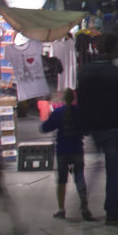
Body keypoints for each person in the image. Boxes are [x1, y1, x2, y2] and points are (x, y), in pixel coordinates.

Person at [76, 33, 118, 224]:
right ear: (114, 49)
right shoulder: (117, 74)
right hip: (113, 127)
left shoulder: (85, 71)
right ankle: (113, 211)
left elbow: (81, 100)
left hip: (94, 127)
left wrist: (84, 123)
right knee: (113, 172)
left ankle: (84, 201)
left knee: (94, 168)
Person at [40, 88, 94, 221]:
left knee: (61, 180)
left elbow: (45, 128)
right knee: (79, 177)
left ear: (64, 99)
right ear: (74, 98)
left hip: (62, 150)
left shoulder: (58, 112)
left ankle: (61, 209)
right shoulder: (80, 112)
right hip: (77, 149)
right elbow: (87, 129)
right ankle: (84, 207)